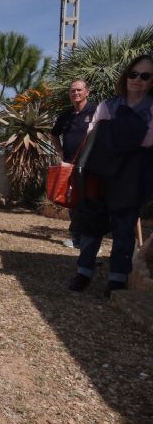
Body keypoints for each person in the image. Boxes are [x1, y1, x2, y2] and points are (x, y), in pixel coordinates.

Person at [69, 54, 153, 297]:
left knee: (124, 230)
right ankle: (83, 272)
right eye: (133, 74)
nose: (137, 80)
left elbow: (147, 140)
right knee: (92, 226)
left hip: (132, 177)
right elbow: (93, 137)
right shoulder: (108, 105)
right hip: (101, 174)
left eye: (145, 76)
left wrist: (113, 133)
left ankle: (117, 280)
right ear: (126, 76)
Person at [50, 80, 97, 249]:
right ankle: (77, 239)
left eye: (79, 90)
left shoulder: (96, 111)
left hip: (91, 166)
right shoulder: (66, 115)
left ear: (87, 92)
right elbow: (54, 134)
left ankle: (91, 241)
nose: (75, 93)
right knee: (73, 202)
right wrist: (60, 152)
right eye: (72, 91)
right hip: (70, 165)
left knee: (91, 203)